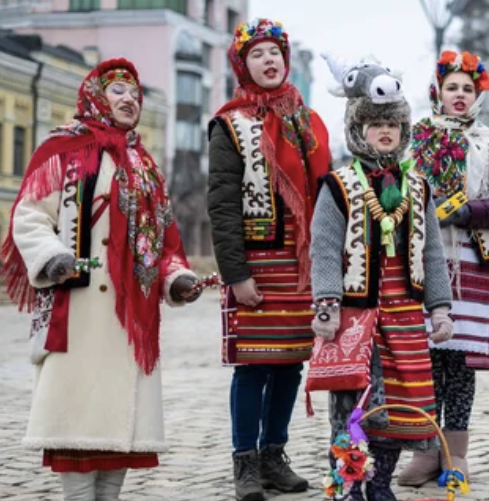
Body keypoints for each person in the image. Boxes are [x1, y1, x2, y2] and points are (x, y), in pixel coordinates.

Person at [0, 58, 200, 501]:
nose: (129, 99)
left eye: (135, 94)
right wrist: (53, 259)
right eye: (118, 92)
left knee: (119, 429)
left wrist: (177, 280)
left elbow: (165, 242)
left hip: (132, 317)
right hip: (80, 308)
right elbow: (30, 216)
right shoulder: (62, 151)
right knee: (77, 418)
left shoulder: (145, 166)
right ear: (94, 96)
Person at [310, 56, 455, 501]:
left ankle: (382, 482)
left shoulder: (419, 187)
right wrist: (328, 303)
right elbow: (324, 247)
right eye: (375, 124)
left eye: (392, 123)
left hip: (405, 314)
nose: (385, 131)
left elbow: (432, 250)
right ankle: (351, 482)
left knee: (399, 404)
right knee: (355, 402)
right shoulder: (338, 185)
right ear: (358, 130)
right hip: (356, 316)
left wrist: (440, 306)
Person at [207, 17, 331, 501]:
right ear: (243, 65)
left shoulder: (307, 121)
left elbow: (326, 194)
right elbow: (221, 205)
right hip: (258, 264)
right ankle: (244, 462)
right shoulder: (229, 124)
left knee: (290, 364)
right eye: (257, 54)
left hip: (299, 264)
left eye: (275, 52)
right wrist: (235, 274)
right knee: (253, 365)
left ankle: (273, 455)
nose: (269, 60)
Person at [398, 50, 489, 486]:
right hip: (422, 260)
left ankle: (457, 453)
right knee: (425, 360)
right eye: (453, 87)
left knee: (460, 364)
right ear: (438, 91)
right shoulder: (413, 139)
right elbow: (395, 189)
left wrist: (465, 210)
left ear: (477, 95)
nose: (460, 95)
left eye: (468, 89)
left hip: (470, 260)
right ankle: (425, 451)